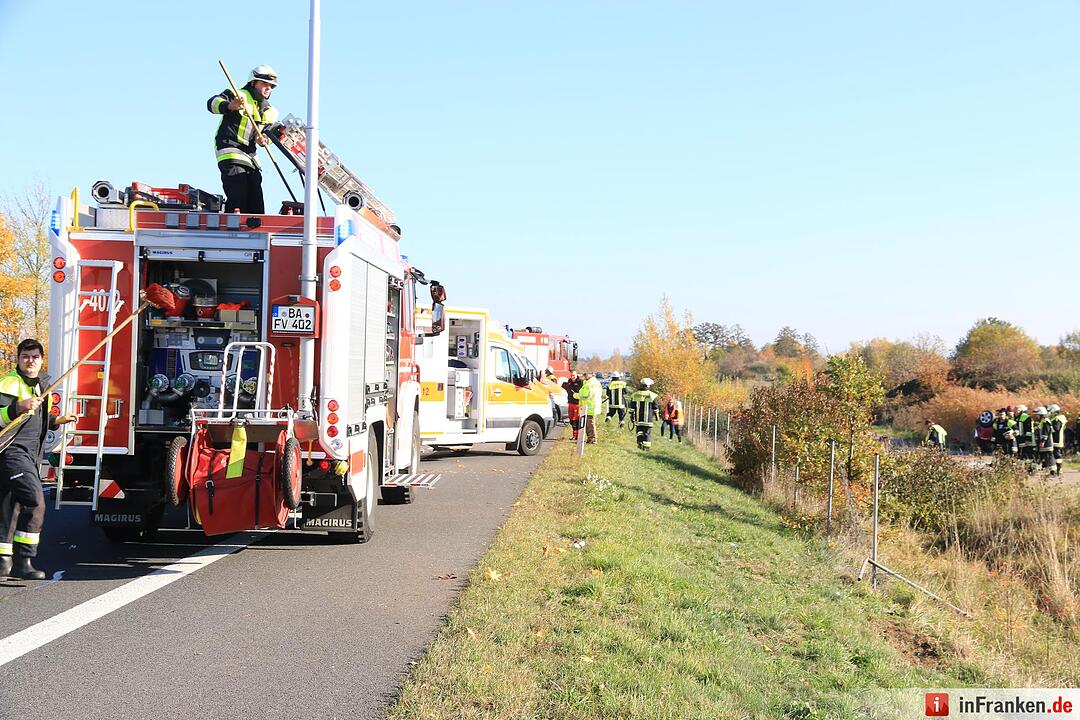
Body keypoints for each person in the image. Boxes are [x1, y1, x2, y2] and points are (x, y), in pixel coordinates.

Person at [0, 340, 76, 579]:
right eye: (25, 356)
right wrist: (17, 407)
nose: (30, 361)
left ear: (41, 360)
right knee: (35, 500)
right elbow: (3, 415)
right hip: (12, 451)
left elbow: (35, 419)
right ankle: (25, 561)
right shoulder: (10, 382)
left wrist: (57, 420)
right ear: (19, 359)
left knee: (9, 506)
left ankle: (3, 562)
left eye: (34, 357)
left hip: (32, 453)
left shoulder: (43, 384)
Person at [207, 65, 280, 214]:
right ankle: (232, 232)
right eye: (264, 84)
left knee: (257, 204)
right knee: (238, 197)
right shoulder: (237, 94)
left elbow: (269, 134)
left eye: (271, 86)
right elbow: (212, 103)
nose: (268, 88)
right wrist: (230, 105)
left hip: (251, 159)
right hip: (231, 152)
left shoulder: (271, 111)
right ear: (253, 83)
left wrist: (264, 140)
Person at [629, 379, 659, 450]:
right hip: (648, 419)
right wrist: (657, 416)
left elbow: (632, 407)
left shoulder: (635, 395)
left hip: (638, 418)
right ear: (648, 386)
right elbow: (655, 407)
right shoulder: (652, 395)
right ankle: (646, 447)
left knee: (639, 431)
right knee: (647, 433)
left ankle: (639, 441)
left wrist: (631, 415)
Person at [576, 372, 603, 445]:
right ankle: (590, 439)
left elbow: (583, 395)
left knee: (589, 425)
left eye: (583, 376)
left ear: (586, 376)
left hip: (589, 407)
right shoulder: (596, 383)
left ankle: (593, 439)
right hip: (594, 406)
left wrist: (575, 395)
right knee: (590, 424)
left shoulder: (588, 384)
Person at [562, 371, 583, 442]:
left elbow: (579, 392)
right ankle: (574, 435)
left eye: (574, 375)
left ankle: (576, 436)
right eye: (571, 375)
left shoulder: (580, 382)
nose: (572, 377)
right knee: (571, 419)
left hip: (577, 404)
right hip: (570, 403)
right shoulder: (569, 381)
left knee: (575, 420)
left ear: (576, 375)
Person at [1049, 404, 1068, 476]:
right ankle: (1058, 471)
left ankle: (1057, 471)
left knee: (1056, 455)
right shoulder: (1061, 418)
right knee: (1057, 455)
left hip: (1056, 439)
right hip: (1059, 439)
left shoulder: (1057, 419)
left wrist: (1048, 429)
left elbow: (1056, 429)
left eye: (1051, 412)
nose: (1050, 413)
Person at [1034, 406, 1054, 472]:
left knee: (1049, 457)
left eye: (1037, 415)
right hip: (1044, 443)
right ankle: (1049, 470)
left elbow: (1045, 433)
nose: (1035, 417)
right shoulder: (1042, 421)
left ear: (1041, 415)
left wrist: (1043, 441)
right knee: (1045, 457)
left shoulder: (1045, 421)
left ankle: (1053, 472)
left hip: (1047, 443)